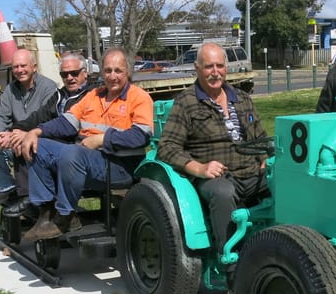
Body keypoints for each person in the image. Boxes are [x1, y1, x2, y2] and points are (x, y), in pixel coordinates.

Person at [19, 48, 154, 241]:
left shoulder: (139, 97)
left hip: (120, 166)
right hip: (87, 159)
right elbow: (66, 122)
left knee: (72, 153)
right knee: (37, 146)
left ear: (128, 72)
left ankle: (65, 215)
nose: (112, 76)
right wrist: (35, 131)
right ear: (101, 73)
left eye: (118, 70)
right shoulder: (94, 95)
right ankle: (46, 213)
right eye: (108, 70)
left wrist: (102, 139)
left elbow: (141, 136)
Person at [157, 42, 269, 257]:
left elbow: (261, 138)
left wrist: (265, 157)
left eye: (220, 66)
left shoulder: (242, 99)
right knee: (222, 193)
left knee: (287, 181)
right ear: (197, 68)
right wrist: (199, 168)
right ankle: (230, 261)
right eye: (209, 66)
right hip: (217, 177)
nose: (215, 72)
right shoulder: (186, 102)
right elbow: (167, 147)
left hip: (252, 172)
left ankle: (278, 248)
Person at [1, 52, 96, 217]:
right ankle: (26, 196)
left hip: (78, 146)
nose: (69, 78)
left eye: (74, 73)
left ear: (85, 73)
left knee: (31, 142)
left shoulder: (91, 95)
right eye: (64, 74)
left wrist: (33, 134)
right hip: (59, 141)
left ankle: (33, 200)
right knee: (20, 139)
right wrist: (15, 130)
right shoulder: (61, 95)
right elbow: (40, 116)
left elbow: (68, 128)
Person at [0, 48, 58, 207]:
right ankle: (7, 188)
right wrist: (0, 134)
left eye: (23, 66)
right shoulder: (10, 89)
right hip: (15, 137)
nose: (19, 70)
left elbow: (46, 118)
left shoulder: (48, 88)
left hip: (39, 138)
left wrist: (21, 136)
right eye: (16, 67)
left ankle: (34, 194)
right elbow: (0, 116)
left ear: (34, 67)